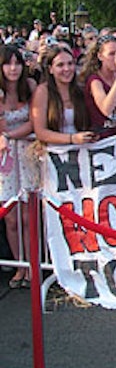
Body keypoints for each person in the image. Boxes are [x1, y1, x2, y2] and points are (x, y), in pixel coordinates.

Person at [0, 45, 37, 288]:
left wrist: (11, 135)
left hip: (28, 154)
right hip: (5, 159)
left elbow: (35, 122)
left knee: (28, 216)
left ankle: (33, 265)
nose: (13, 68)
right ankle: (19, 265)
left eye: (17, 63)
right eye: (8, 63)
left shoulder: (31, 87)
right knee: (11, 218)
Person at [31, 44, 94, 144]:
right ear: (50, 69)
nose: (67, 69)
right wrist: (71, 139)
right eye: (60, 65)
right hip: (54, 150)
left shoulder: (81, 89)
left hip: (81, 150)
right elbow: (40, 132)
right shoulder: (42, 91)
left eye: (70, 63)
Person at [80, 34, 116, 136]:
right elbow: (106, 109)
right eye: (111, 54)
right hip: (100, 136)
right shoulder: (95, 80)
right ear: (100, 56)